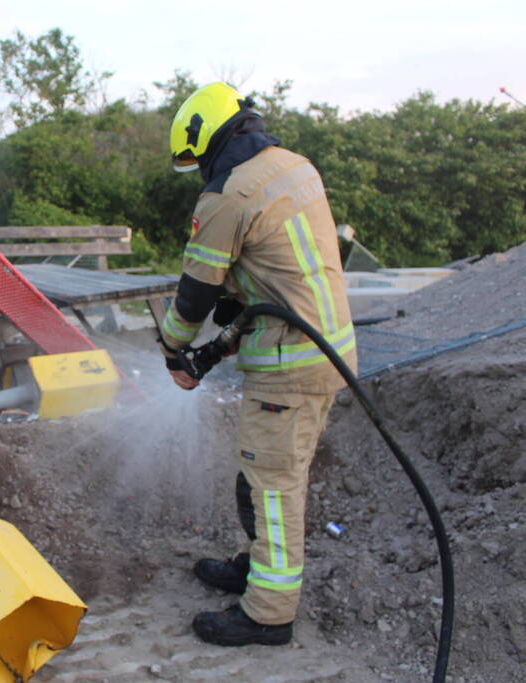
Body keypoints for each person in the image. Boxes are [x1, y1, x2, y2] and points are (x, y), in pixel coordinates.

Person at [159, 82, 357, 647]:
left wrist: (173, 351)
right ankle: (255, 564)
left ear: (205, 140)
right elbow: (274, 283)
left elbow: (192, 300)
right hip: (322, 349)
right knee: (263, 473)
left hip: (290, 366)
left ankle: (268, 612)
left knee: (272, 485)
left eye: (195, 159)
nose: (199, 170)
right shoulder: (292, 167)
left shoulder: (228, 196)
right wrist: (221, 347)